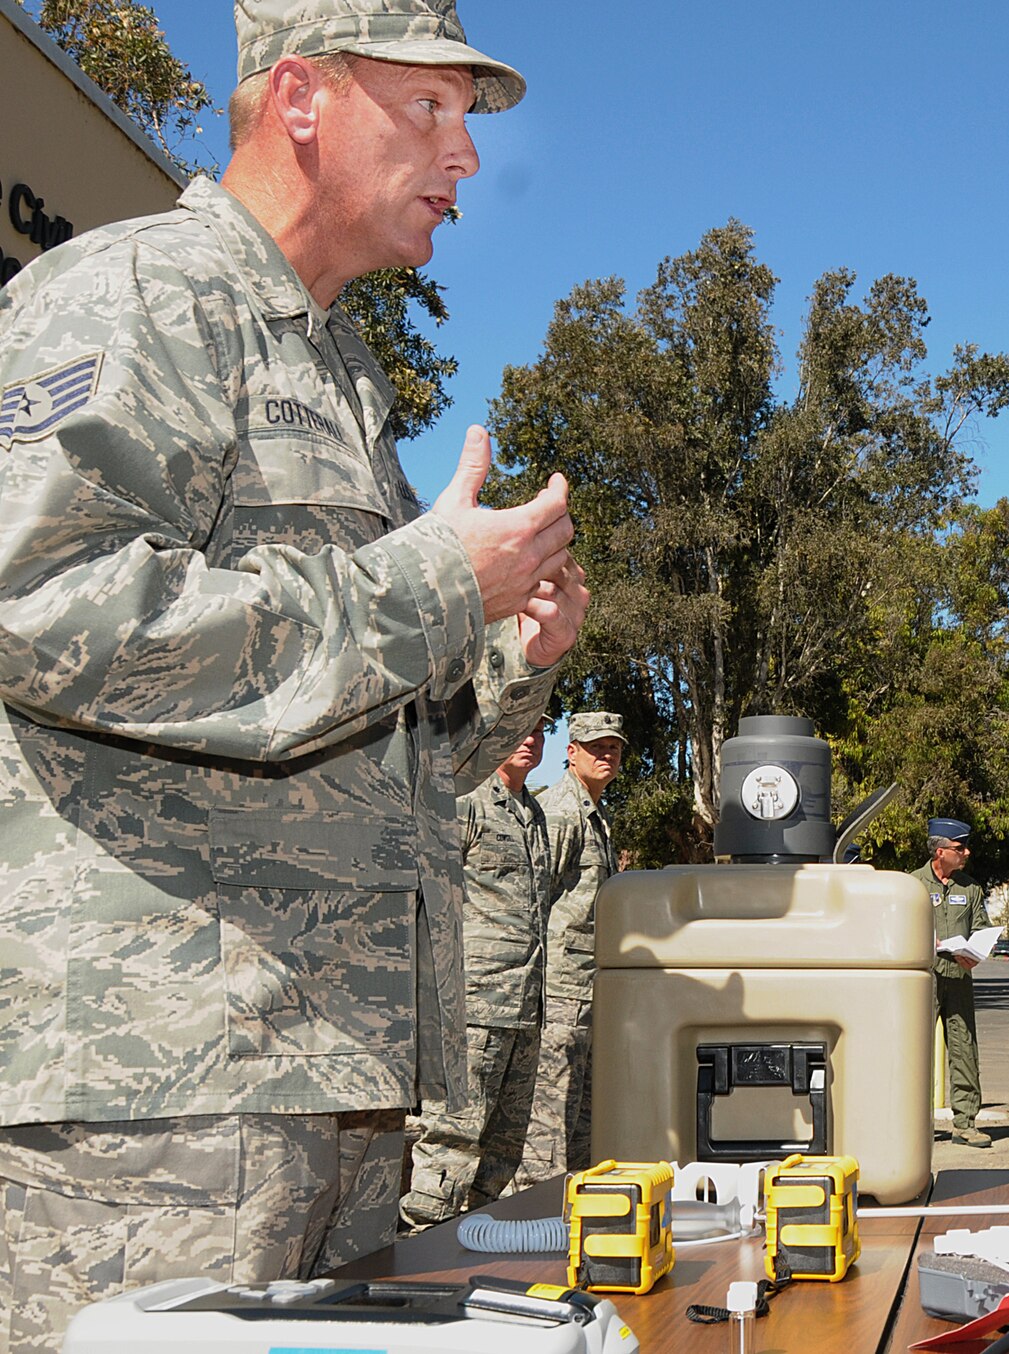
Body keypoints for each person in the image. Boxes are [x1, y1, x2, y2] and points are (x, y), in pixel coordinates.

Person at [0, 2, 583, 1347]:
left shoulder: (338, 365)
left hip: (335, 1087)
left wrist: (507, 656)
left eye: (467, 118)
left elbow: (358, 748)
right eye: (428, 109)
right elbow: (46, 608)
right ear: (304, 100)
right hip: (159, 1106)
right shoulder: (133, 293)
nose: (468, 157)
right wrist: (436, 581)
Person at [403, 721, 553, 1226]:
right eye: (523, 730)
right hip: (474, 1004)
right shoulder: (465, 800)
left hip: (524, 1005)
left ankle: (472, 1239)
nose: (531, 739)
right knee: (453, 1138)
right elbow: (425, 895)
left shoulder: (534, 813)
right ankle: (423, 1244)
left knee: (502, 1147)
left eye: (541, 731)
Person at [513, 710, 625, 1188]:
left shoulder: (596, 815)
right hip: (559, 992)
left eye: (614, 747)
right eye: (595, 745)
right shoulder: (561, 811)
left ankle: (573, 1220)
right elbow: (534, 896)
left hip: (588, 990)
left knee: (582, 1124)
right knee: (549, 1126)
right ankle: (538, 1219)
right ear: (571, 751)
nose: (606, 754)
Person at [914, 817, 991, 1147]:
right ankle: (914, 1124)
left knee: (964, 1048)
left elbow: (982, 929)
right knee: (915, 1050)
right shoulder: (913, 885)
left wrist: (974, 952)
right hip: (922, 980)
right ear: (940, 852)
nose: (966, 853)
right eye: (960, 849)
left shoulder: (970, 888)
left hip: (959, 976)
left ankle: (965, 1122)